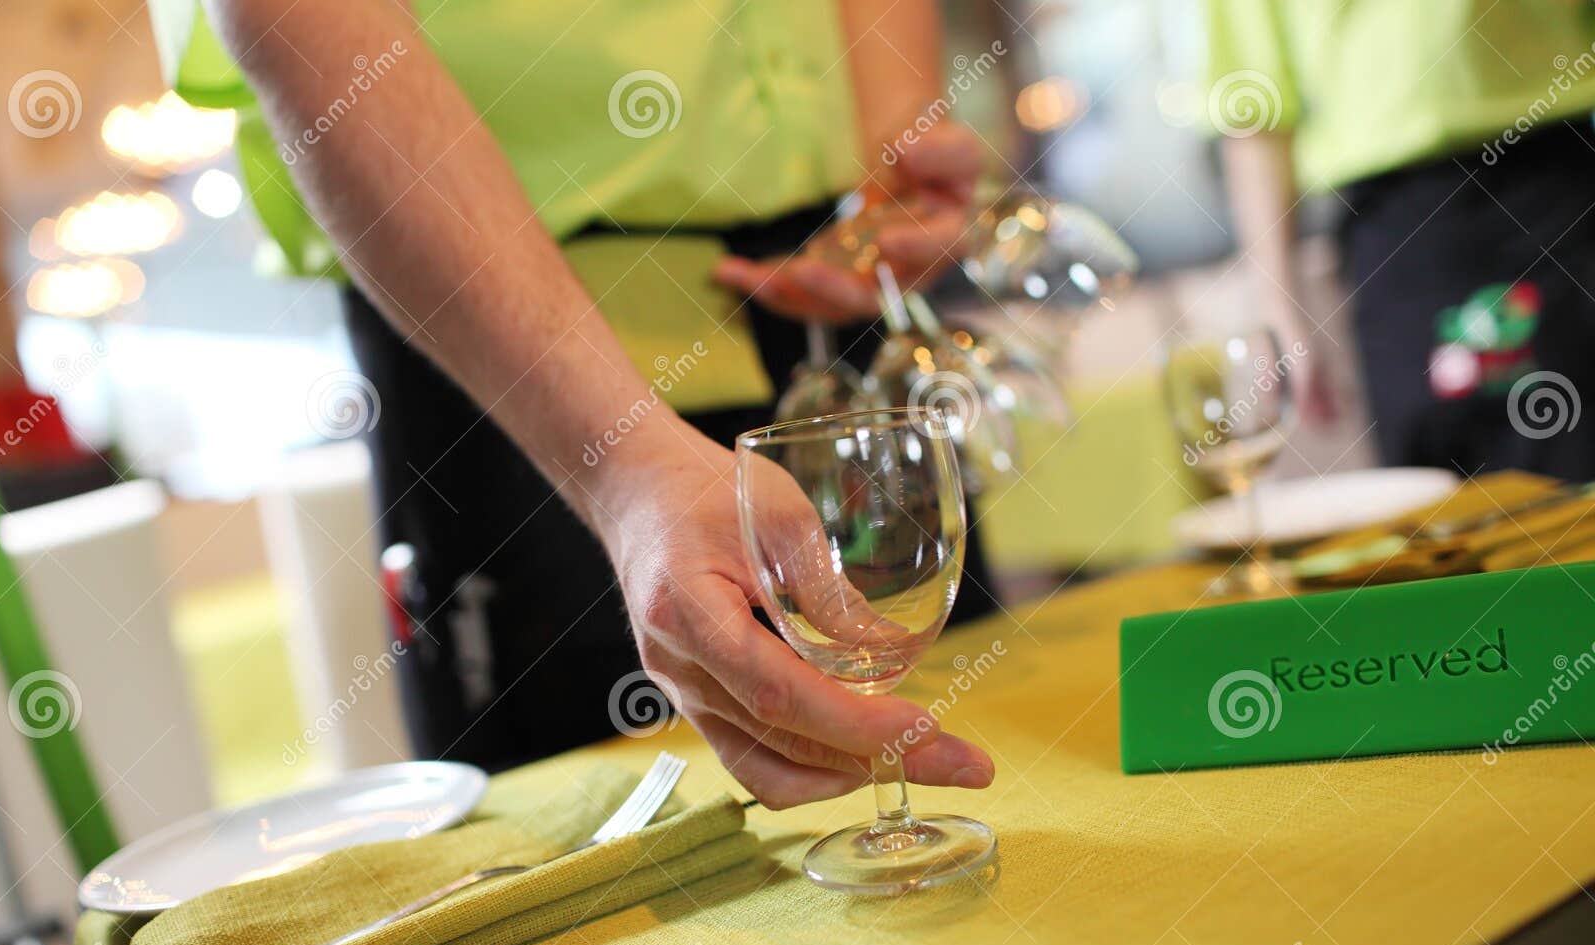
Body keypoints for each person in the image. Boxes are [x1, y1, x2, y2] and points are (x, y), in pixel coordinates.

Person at [156, 0, 998, 806]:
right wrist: (625, 470)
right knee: (603, 865)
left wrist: (899, 136)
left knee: (966, 716)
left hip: (836, 297)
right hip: (510, 342)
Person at [1205, 0, 1595, 478]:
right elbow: (1253, 109)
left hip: (1555, 190)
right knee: (1435, 508)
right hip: (1396, 230)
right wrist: (1278, 310)